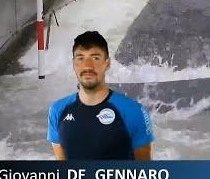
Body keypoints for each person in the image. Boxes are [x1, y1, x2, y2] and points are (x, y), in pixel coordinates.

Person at [47, 31, 154, 160]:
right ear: (74, 64)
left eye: (95, 58)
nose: (87, 66)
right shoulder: (58, 111)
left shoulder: (133, 111)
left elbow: (146, 174)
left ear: (107, 63)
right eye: (80, 58)